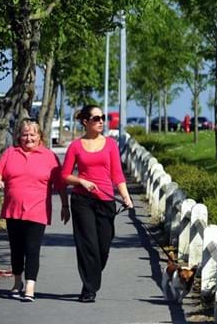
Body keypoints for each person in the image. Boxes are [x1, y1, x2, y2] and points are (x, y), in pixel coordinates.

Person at [0, 118, 69, 302]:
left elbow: (60, 185)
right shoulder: (10, 153)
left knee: (32, 249)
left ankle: (30, 287)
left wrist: (65, 206)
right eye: (25, 134)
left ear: (40, 136)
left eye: (32, 134)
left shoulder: (49, 156)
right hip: (13, 210)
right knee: (16, 249)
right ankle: (17, 282)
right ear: (19, 136)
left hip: (37, 211)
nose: (28, 138)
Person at [61, 105, 133, 303]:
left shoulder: (110, 144)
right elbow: (65, 175)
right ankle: (89, 288)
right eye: (96, 118)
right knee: (88, 245)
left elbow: (117, 174)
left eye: (103, 117)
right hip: (82, 200)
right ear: (85, 122)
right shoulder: (75, 146)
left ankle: (90, 279)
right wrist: (81, 181)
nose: (101, 121)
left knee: (103, 246)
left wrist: (126, 196)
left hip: (106, 200)